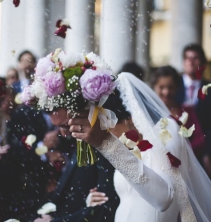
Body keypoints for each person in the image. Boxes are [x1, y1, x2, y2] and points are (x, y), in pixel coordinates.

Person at [69, 72, 211, 222]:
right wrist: (94, 200)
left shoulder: (166, 131)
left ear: (129, 119)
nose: (109, 135)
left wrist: (107, 143)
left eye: (109, 128)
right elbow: (132, 197)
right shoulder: (131, 150)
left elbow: (163, 198)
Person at [33, 108, 119, 222]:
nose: (63, 133)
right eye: (58, 127)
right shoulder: (71, 141)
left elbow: (105, 207)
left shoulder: (103, 144)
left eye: (65, 125)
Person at [152, 65, 205, 161]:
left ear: (176, 87)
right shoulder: (149, 112)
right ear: (154, 87)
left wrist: (180, 151)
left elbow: (200, 139)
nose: (166, 92)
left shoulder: (187, 111)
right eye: (161, 87)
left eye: (170, 87)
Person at [176, 44, 211, 176]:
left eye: (195, 58)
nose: (190, 62)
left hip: (204, 152)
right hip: (178, 148)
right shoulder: (173, 87)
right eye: (187, 58)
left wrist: (208, 152)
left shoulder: (209, 88)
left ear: (202, 62)